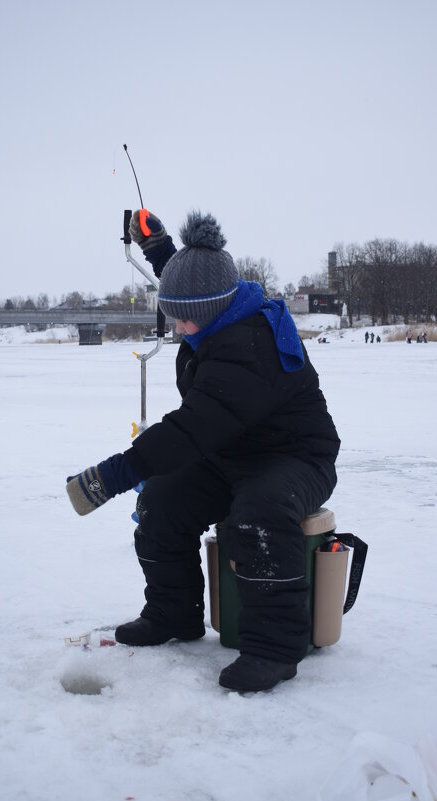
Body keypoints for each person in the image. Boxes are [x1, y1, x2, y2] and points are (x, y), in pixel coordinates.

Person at [66, 210, 340, 693]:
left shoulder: (248, 346)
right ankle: (174, 614)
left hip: (296, 457)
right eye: (173, 312)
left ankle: (275, 648)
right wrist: (158, 247)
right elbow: (191, 286)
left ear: (214, 312)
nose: (177, 324)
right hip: (229, 452)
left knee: (256, 514)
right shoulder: (217, 311)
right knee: (162, 502)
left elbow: (191, 429)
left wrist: (114, 474)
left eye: (184, 316)